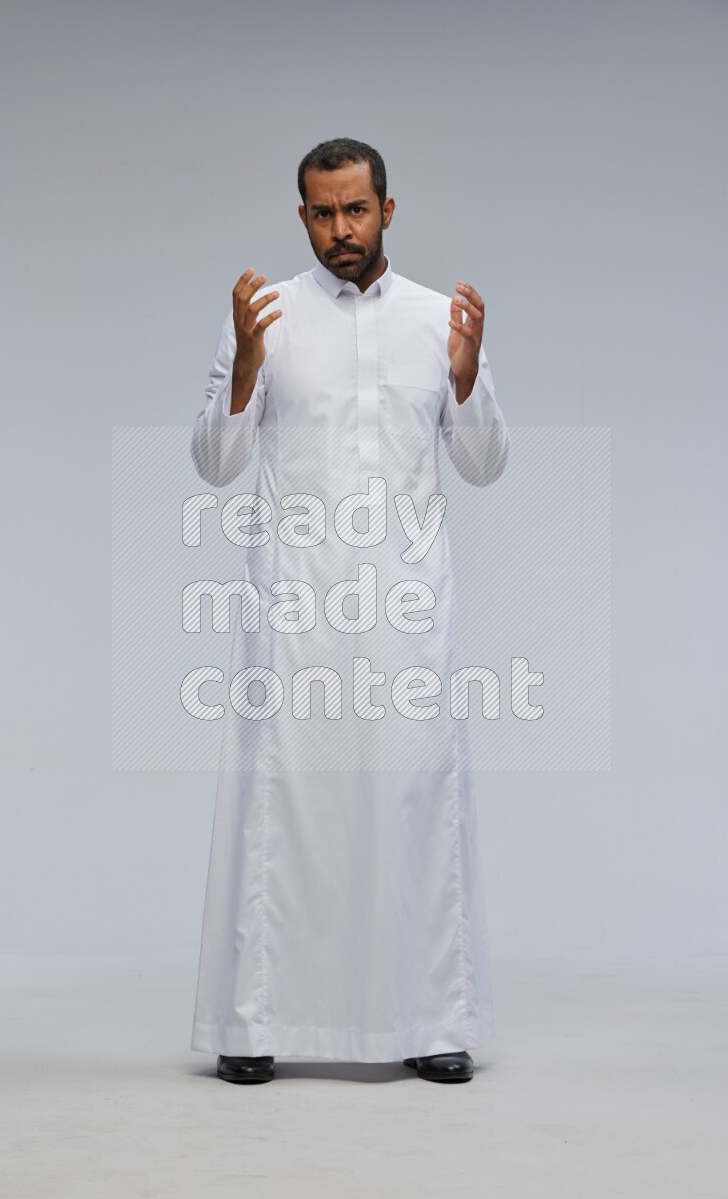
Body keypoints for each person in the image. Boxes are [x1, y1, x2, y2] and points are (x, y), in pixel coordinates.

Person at [189, 138, 510, 1085]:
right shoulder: (267, 316)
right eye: (323, 214)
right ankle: (254, 1025)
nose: (341, 231)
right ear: (302, 218)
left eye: (356, 211)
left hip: (407, 612)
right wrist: (245, 367)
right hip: (297, 609)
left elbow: (486, 464)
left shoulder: (434, 319)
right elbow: (212, 461)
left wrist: (467, 371)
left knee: (414, 805)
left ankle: (427, 1017)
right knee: (283, 810)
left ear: (388, 209)